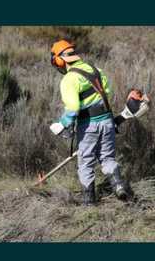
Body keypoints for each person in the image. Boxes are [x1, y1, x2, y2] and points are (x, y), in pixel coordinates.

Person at [50, 39, 127, 206]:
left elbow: (73, 107)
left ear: (59, 60)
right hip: (107, 120)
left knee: (85, 162)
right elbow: (107, 92)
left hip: (88, 125)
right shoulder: (96, 70)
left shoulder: (69, 79)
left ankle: (89, 201)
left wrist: (62, 124)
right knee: (107, 158)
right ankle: (119, 185)